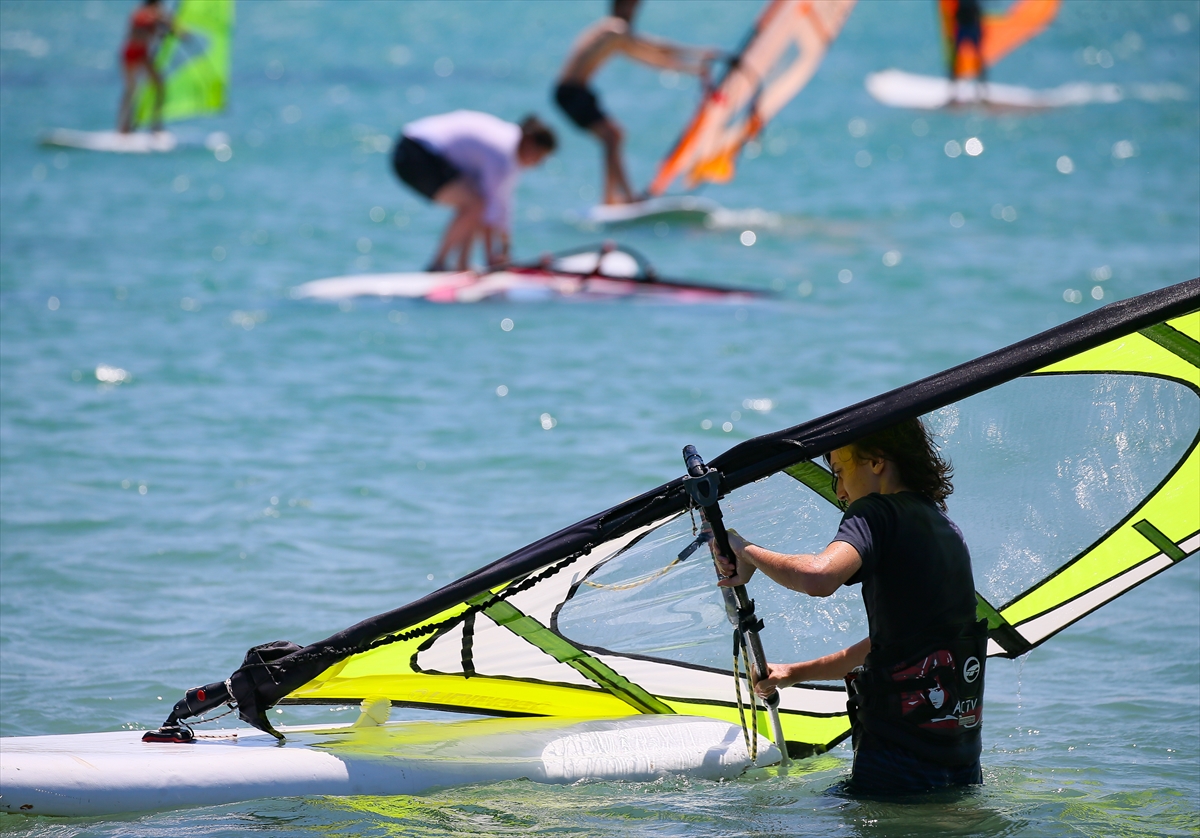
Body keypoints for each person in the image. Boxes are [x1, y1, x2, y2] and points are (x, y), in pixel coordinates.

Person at [713, 418, 987, 795]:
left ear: (876, 462)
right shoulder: (943, 528)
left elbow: (818, 578)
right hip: (958, 753)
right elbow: (896, 645)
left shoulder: (877, 513)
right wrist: (794, 673)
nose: (840, 491)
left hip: (898, 752)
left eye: (839, 472)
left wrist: (744, 550)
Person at [554, 0, 718, 205]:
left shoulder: (614, 32)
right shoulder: (615, 29)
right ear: (623, 6)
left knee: (613, 137)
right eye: (633, 6)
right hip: (571, 92)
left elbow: (652, 58)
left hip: (577, 91)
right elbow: (657, 48)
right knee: (612, 136)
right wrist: (700, 54)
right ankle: (622, 199)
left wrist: (694, 68)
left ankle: (612, 199)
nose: (635, 11)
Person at [392, 111, 556, 272]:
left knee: (476, 202)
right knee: (476, 205)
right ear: (530, 144)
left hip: (414, 147)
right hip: (415, 152)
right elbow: (492, 212)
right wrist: (493, 260)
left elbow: (503, 207)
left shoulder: (510, 141)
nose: (537, 164)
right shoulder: (503, 153)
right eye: (539, 157)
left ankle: (461, 265)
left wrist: (505, 251)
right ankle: (438, 265)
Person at [117, 0, 179, 133]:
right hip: (133, 52)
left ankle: (155, 126)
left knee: (159, 87)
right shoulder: (143, 14)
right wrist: (164, 20)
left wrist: (168, 25)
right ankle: (124, 127)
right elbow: (144, 23)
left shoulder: (155, 15)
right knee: (132, 90)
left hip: (143, 54)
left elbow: (166, 31)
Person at [948, 0, 986, 84]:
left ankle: (982, 86)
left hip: (969, 26)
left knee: (977, 57)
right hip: (965, 26)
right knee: (956, 57)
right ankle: (953, 85)